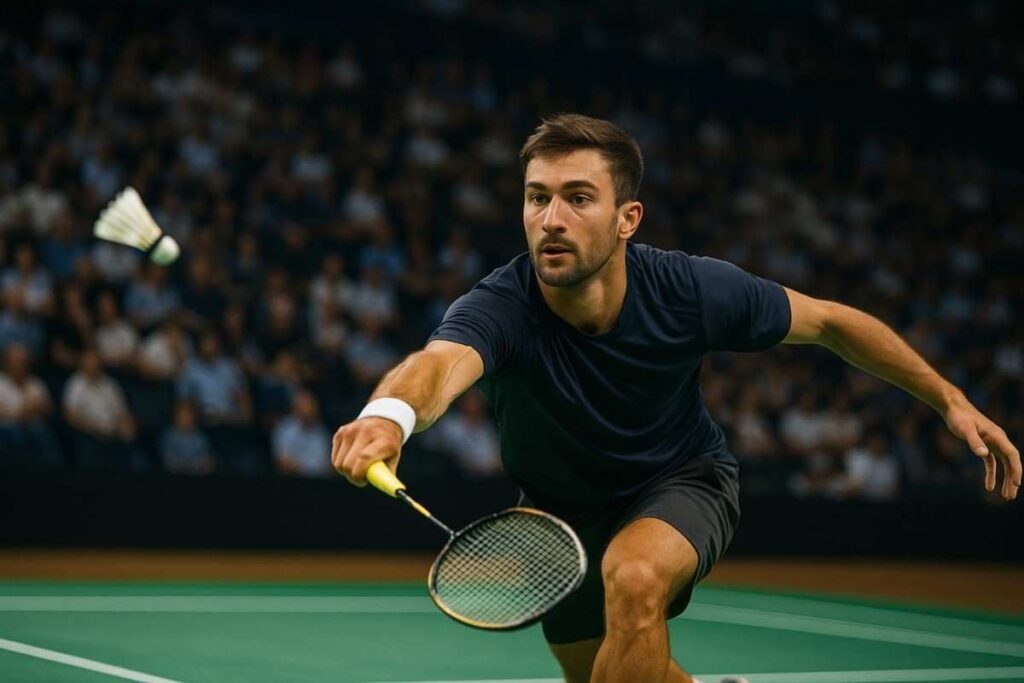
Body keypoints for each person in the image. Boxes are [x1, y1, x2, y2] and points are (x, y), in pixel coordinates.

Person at [331, 114, 1020, 683]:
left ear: (628, 217)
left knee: (633, 581)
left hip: (681, 481)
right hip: (560, 517)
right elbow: (438, 365)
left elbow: (833, 323)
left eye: (578, 197)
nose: (551, 218)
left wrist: (949, 398)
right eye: (537, 197)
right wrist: (386, 416)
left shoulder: (689, 290)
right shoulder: (501, 305)